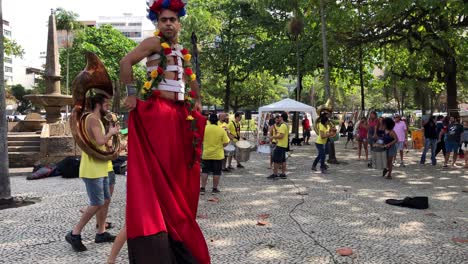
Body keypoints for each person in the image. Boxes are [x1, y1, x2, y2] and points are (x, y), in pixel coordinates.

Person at [119, 1, 210, 262]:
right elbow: (126, 62)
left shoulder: (182, 51)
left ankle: (178, 226)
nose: (168, 23)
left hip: (181, 114)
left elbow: (190, 81)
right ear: (157, 23)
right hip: (158, 112)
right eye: (163, 20)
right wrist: (132, 95)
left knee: (181, 173)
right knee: (158, 175)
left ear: (179, 23)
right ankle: (159, 230)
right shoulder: (153, 44)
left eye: (172, 19)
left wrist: (197, 102)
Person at [65, 94, 119, 252]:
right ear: (98, 104)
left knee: (103, 201)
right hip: (92, 169)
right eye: (106, 103)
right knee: (96, 203)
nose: (108, 106)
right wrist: (111, 132)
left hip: (100, 167)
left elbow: (99, 144)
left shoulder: (94, 118)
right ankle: (74, 233)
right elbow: (101, 140)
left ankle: (101, 233)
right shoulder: (93, 119)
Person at [200, 114, 230, 194]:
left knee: (204, 171)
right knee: (217, 172)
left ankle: (202, 188)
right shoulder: (221, 130)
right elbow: (226, 142)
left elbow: (200, 140)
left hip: (206, 154)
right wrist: (220, 146)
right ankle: (214, 188)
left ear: (209, 120)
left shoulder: (204, 129)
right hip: (218, 155)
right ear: (217, 120)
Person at [267, 112, 289, 179]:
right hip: (284, 145)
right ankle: (283, 174)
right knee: (283, 160)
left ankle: (275, 174)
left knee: (276, 160)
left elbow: (281, 136)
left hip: (280, 145)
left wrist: (273, 137)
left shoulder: (282, 125)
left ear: (281, 118)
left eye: (279, 117)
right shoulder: (287, 125)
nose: (278, 118)